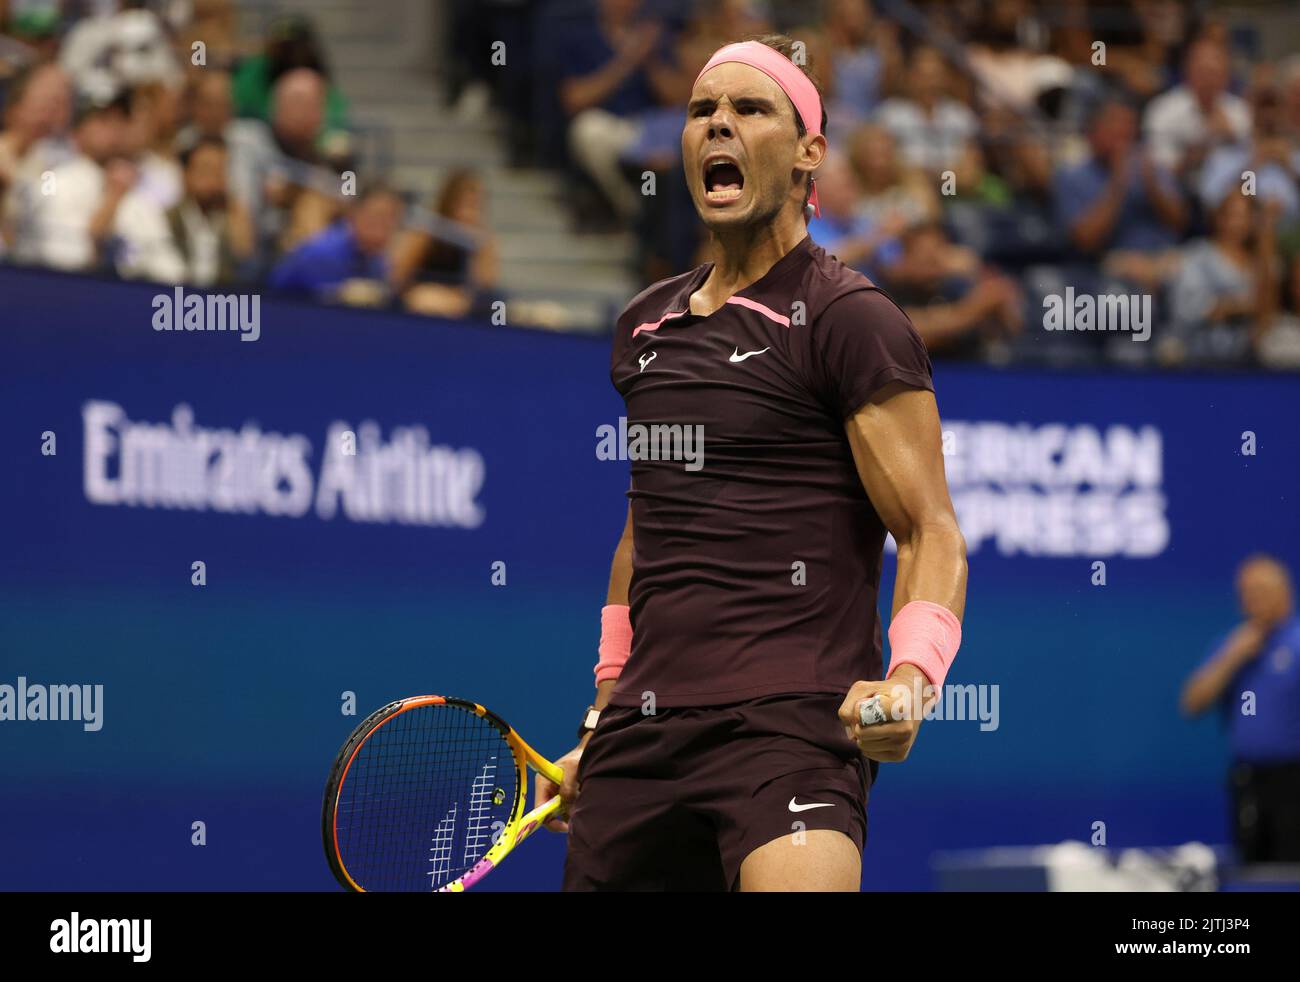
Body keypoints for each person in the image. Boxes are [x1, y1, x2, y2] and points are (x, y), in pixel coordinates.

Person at [541, 35, 967, 892]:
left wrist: (912, 677)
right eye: (702, 111)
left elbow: (928, 528)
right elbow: (645, 535)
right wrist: (603, 711)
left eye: (749, 108)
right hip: (642, 735)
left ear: (810, 151)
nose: (718, 125)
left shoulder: (851, 318)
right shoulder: (644, 328)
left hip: (792, 729)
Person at [1181, 555, 1300, 863]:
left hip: (1293, 780)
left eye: (1260, 591)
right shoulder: (1233, 644)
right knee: (1252, 870)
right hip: (1248, 781)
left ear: (1284, 592)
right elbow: (1193, 703)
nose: (1251, 600)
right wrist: (1232, 657)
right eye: (1245, 593)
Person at [268, 183, 403, 303]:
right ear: (353, 214)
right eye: (378, 216)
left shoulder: (377, 260)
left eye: (391, 219)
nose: (383, 227)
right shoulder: (323, 252)